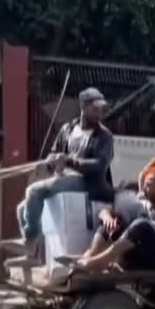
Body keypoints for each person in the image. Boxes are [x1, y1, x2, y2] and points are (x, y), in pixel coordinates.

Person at [14, 87, 115, 261]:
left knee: (33, 191)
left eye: (101, 108)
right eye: (95, 107)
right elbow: (54, 152)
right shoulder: (68, 129)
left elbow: (99, 165)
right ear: (83, 106)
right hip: (63, 178)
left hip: (86, 182)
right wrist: (52, 161)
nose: (99, 112)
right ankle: (31, 253)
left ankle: (30, 241)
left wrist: (70, 161)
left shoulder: (105, 136)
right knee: (21, 208)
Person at [70, 172, 155, 273]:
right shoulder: (142, 205)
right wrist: (107, 217)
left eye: (148, 185)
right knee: (115, 221)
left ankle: (100, 262)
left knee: (142, 225)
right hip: (147, 257)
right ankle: (90, 257)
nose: (143, 190)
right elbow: (105, 211)